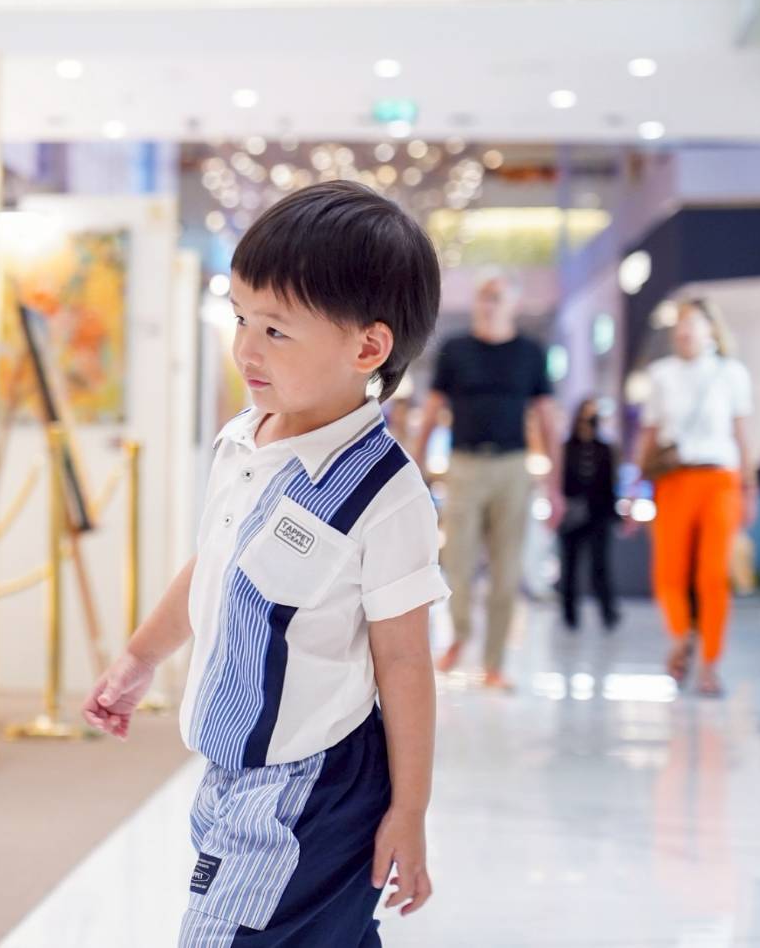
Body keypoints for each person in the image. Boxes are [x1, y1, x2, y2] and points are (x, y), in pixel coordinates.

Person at [83, 181, 446, 946]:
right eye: (241, 317)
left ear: (367, 348)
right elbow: (216, 568)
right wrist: (140, 659)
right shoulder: (245, 439)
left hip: (310, 785)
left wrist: (409, 810)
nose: (245, 348)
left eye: (276, 330)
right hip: (232, 773)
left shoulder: (387, 495)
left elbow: (406, 662)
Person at [414, 272, 562, 690]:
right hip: (464, 464)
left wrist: (555, 483)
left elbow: (547, 419)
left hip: (513, 467)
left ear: (513, 303)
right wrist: (415, 464)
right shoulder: (455, 350)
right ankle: (459, 635)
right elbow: (432, 410)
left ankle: (494, 662)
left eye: (497, 296)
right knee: (456, 560)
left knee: (507, 568)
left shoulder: (530, 353)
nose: (489, 304)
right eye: (483, 296)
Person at [632, 297, 755, 697]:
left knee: (712, 574)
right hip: (673, 479)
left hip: (719, 478)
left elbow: (740, 434)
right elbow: (649, 436)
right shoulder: (662, 375)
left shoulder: (730, 373)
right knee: (668, 571)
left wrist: (749, 487)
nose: (684, 330)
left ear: (710, 329)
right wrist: (635, 487)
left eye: (693, 323)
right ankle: (683, 637)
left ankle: (710, 663)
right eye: (680, 324)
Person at [558, 398, 622, 631]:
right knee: (570, 566)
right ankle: (569, 614)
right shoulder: (566, 448)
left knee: (600, 565)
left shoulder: (605, 449)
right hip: (571, 514)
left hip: (598, 514)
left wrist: (615, 513)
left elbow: (611, 483)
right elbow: (560, 481)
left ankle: (608, 612)